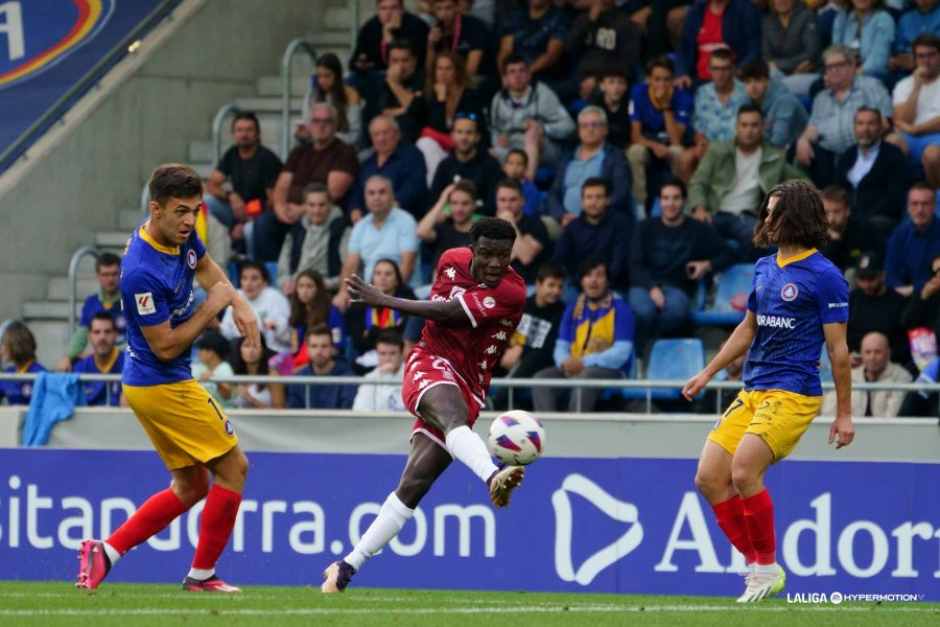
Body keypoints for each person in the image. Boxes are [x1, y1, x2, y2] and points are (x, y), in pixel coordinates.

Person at [76, 164, 260, 593]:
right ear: (154, 210)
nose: (188, 221)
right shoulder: (141, 271)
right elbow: (165, 346)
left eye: (194, 211)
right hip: (162, 383)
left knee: (192, 484)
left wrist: (239, 303)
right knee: (234, 467)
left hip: (155, 382)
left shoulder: (178, 234)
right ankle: (201, 576)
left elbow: (210, 270)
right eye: (180, 211)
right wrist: (213, 307)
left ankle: (107, 551)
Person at [320, 218, 528, 593]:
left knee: (415, 483)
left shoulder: (513, 291)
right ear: (472, 250)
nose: (496, 263)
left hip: (472, 385)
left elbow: (450, 313)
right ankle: (492, 476)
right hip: (430, 360)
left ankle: (347, 565)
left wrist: (384, 300)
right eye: (487, 255)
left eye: (503, 255)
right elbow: (442, 310)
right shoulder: (450, 260)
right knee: (451, 418)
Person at [682, 180, 853, 603]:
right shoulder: (764, 267)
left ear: (796, 217)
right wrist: (708, 372)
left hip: (793, 393)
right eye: (767, 211)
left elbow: (839, 350)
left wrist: (845, 413)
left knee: (743, 472)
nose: (767, 220)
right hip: (754, 388)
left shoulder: (824, 276)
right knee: (708, 478)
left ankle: (763, 568)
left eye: (776, 212)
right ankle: (762, 566)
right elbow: (748, 327)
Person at [629, 179, 734, 354]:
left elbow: (729, 253)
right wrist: (652, 288)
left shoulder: (698, 230)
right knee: (643, 311)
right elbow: (634, 265)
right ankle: (641, 357)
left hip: (677, 288)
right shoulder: (644, 228)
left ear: (684, 201)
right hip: (644, 285)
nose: (670, 204)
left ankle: (662, 356)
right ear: (659, 201)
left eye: (676, 198)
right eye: (666, 198)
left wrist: (706, 265)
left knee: (675, 313)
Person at [689, 104, 807, 253]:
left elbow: (802, 183)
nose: (749, 131)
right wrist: (699, 207)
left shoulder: (774, 157)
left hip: (745, 218)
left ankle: (726, 260)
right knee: (692, 238)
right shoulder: (718, 151)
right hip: (714, 213)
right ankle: (724, 260)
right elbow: (698, 181)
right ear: (737, 127)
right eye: (744, 125)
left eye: (754, 125)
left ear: (763, 127)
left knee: (771, 244)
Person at [533, 259, 635, 413]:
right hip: (574, 367)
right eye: (588, 275)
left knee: (586, 377)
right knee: (541, 379)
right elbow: (561, 346)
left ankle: (575, 433)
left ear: (607, 281)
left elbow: (621, 352)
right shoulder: (573, 308)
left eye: (599, 275)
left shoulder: (621, 309)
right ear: (581, 281)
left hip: (609, 370)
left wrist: (584, 362)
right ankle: (548, 431)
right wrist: (564, 363)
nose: (593, 280)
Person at [269, 103, 358, 261]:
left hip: (321, 212)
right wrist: (280, 208)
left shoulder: (345, 152)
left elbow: (333, 193)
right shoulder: (299, 151)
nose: (321, 126)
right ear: (309, 125)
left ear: (335, 125)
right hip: (290, 212)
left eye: (327, 121)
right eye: (316, 121)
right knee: (264, 224)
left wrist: (302, 210)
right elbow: (282, 186)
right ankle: (264, 275)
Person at [795, 45, 892, 187]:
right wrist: (803, 140)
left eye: (839, 65)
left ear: (852, 66)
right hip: (828, 157)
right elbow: (813, 128)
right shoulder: (821, 98)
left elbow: (885, 121)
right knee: (797, 149)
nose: (834, 70)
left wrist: (864, 139)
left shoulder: (871, 87)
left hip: (863, 148)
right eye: (829, 67)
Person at [335, 175, 419, 310]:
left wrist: (390, 297)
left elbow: (407, 265)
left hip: (402, 293)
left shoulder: (406, 221)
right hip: (371, 294)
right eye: (371, 193)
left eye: (382, 192)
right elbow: (350, 265)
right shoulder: (360, 226)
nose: (376, 197)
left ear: (392, 196)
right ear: (365, 198)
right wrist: (343, 292)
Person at [488, 55, 575, 180]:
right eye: (512, 72)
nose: (517, 76)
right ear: (505, 78)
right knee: (491, 153)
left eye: (522, 71)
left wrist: (543, 128)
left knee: (532, 134)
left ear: (529, 75)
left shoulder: (543, 93)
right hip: (512, 149)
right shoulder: (498, 98)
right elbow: (494, 130)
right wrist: (498, 141)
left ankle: (528, 181)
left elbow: (569, 127)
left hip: (543, 149)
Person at [204, 112, 283, 247]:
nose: (244, 134)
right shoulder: (232, 153)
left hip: (261, 214)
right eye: (239, 130)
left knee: (249, 230)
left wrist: (247, 217)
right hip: (237, 210)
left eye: (249, 130)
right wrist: (231, 196)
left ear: (257, 134)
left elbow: (273, 202)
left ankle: (253, 265)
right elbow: (211, 185)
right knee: (206, 202)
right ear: (233, 134)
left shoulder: (267, 158)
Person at [494, 262, 565, 408]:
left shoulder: (562, 312)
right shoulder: (521, 305)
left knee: (535, 357)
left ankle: (498, 402)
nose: (556, 291)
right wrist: (507, 350)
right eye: (551, 285)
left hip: (538, 360)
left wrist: (521, 351)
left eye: (560, 287)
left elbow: (548, 347)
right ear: (538, 285)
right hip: (510, 355)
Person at [546, 106, 634, 224]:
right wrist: (562, 216)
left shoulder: (615, 157)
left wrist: (591, 216)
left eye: (595, 125)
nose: (590, 129)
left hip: (600, 222)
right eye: (585, 126)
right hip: (565, 222)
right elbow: (553, 194)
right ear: (579, 131)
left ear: (605, 129)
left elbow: (620, 194)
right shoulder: (567, 158)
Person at [627, 56, 694, 208]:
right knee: (635, 151)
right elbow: (635, 136)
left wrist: (665, 107)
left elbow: (676, 140)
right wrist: (654, 146)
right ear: (649, 79)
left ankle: (682, 204)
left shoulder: (683, 97)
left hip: (670, 145)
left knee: (678, 152)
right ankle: (640, 205)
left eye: (666, 79)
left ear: (673, 80)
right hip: (647, 143)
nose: (661, 84)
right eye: (657, 79)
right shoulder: (638, 93)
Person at [834, 107, 910, 238]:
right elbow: (837, 189)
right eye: (860, 123)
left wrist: (861, 218)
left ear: (880, 127)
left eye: (871, 124)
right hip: (847, 218)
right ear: (854, 128)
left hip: (879, 219)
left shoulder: (893, 155)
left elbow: (895, 197)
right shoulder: (847, 155)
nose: (865, 129)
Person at [678, 48, 750, 181]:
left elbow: (749, 129)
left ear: (733, 70)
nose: (720, 74)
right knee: (685, 158)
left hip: (736, 148)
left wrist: (717, 149)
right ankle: (693, 199)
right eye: (716, 69)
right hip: (708, 146)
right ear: (710, 70)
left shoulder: (745, 93)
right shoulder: (702, 92)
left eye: (725, 69)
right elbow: (698, 127)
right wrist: (700, 143)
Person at [553, 177, 633, 292]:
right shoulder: (572, 227)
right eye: (589, 197)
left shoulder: (622, 224)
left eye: (599, 197)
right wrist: (583, 282)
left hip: (613, 285)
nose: (593, 202)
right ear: (582, 201)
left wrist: (600, 283)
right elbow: (560, 260)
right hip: (578, 285)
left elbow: (619, 263)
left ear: (607, 200)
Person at [417, 53, 488, 179]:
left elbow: (479, 126)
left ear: (457, 71)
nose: (443, 73)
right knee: (425, 143)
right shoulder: (429, 94)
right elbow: (437, 127)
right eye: (439, 68)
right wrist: (441, 100)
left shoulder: (470, 96)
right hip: (439, 149)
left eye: (448, 68)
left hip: (466, 146)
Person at [350, 115, 429, 221]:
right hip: (370, 221)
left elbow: (414, 187)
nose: (381, 138)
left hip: (403, 218)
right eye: (376, 134)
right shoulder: (367, 163)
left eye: (385, 133)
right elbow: (357, 191)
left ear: (397, 134)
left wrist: (388, 208)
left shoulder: (412, 155)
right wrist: (355, 209)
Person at [57, 252, 126, 371]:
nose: (110, 279)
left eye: (114, 274)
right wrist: (69, 356)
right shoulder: (91, 303)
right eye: (105, 274)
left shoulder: (131, 300)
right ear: (98, 276)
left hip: (125, 360)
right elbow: (81, 334)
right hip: (100, 357)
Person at [276, 183, 349, 294]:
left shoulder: (342, 229)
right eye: (311, 205)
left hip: (327, 290)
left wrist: (321, 284)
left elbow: (350, 271)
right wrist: (286, 283)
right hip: (296, 289)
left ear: (330, 205)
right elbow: (283, 265)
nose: (316, 210)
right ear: (304, 206)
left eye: (321, 205)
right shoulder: (296, 230)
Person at [346, 259, 416, 373]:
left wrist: (373, 332)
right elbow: (358, 342)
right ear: (372, 278)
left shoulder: (409, 302)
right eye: (378, 273)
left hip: (400, 358)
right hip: (367, 358)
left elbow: (407, 337)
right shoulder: (359, 305)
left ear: (397, 280)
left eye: (388, 274)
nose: (383, 278)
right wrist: (394, 330)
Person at [427, 113, 503, 215]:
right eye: (459, 132)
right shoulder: (444, 165)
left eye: (469, 133)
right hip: (449, 224)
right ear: (452, 135)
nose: (464, 137)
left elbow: (494, 205)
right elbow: (434, 201)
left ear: (477, 137)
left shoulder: (491, 166)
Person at [675, 0, 762, 88]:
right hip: (697, 80)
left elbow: (754, 49)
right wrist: (682, 73)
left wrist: (740, 71)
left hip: (732, 80)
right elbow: (684, 47)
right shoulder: (696, 11)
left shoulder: (745, 9)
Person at [823, 331, 911, 417]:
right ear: (861, 354)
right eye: (868, 352)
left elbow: (891, 416)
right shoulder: (848, 376)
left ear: (888, 353)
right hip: (852, 430)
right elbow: (828, 413)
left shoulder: (901, 376)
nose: (872, 357)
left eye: (878, 352)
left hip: (886, 430)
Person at [890, 34, 940, 185]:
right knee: (891, 144)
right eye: (921, 56)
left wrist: (916, 130)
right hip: (908, 137)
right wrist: (916, 87)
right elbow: (902, 120)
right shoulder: (904, 85)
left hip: (936, 136)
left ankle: (936, 199)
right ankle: (898, 198)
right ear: (915, 59)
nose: (926, 60)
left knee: (932, 155)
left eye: (931, 55)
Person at [848, 251, 912, 366]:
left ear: (882, 275)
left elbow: (906, 344)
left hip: (891, 366)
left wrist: (880, 359)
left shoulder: (899, 302)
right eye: (862, 279)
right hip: (855, 366)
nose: (866, 284)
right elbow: (839, 337)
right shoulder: (850, 300)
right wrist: (846, 355)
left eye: (871, 278)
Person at [566, 0, 642, 95]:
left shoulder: (625, 24)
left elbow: (628, 62)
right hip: (580, 78)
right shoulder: (583, 20)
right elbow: (570, 48)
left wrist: (598, 79)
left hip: (608, 81)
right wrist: (589, 21)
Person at [219, 261, 292, 355]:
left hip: (272, 352)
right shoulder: (236, 296)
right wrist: (216, 326)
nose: (248, 283)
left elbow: (288, 335)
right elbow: (226, 332)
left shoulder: (276, 297)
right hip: (242, 353)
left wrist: (276, 327)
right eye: (244, 278)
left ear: (265, 282)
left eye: (254, 278)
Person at [367, 39, 429, 144]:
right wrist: (405, 110)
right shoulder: (378, 81)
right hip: (382, 140)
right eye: (395, 61)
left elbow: (417, 113)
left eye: (405, 60)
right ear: (388, 62)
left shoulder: (424, 80)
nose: (400, 66)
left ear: (414, 61)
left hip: (414, 141)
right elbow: (377, 114)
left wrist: (394, 83)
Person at [739, 59, 808, 150]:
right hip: (767, 149)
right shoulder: (746, 99)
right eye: (748, 82)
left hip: (796, 152)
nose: (753, 86)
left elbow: (778, 142)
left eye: (758, 80)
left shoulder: (785, 100)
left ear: (767, 81)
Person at [885, 183, 940, 297]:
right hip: (900, 296)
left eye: (925, 204)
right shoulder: (899, 235)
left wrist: (915, 289)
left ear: (934, 206)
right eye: (914, 204)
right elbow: (890, 274)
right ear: (908, 207)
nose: (920, 210)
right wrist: (904, 289)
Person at [298, 54, 364, 148]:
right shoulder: (312, 94)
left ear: (337, 75)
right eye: (319, 76)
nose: (322, 81)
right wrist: (302, 133)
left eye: (327, 76)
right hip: (316, 147)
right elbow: (307, 124)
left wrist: (327, 136)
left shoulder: (351, 95)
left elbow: (355, 135)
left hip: (342, 149)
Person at [350, 0, 430, 76]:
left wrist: (389, 39)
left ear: (402, 10)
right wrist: (361, 64)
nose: (388, 13)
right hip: (376, 75)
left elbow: (418, 61)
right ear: (378, 11)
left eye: (394, 8)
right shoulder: (369, 28)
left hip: (410, 75)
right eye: (383, 8)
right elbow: (353, 62)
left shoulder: (417, 26)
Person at [494, 178, 552, 283]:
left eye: (513, 200)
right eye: (502, 200)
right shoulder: (488, 226)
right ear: (496, 202)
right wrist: (520, 244)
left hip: (527, 284)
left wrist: (509, 223)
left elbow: (526, 257)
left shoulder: (536, 224)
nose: (507, 205)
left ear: (523, 201)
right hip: (496, 285)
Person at [286, 325, 357, 409]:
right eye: (314, 346)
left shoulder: (348, 378)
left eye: (324, 346)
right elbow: (294, 416)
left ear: (332, 348)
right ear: (307, 350)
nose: (319, 351)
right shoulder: (298, 379)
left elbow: (347, 416)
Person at [496, 0, 568, 83]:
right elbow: (506, 50)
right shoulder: (515, 15)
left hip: (542, 74)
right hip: (513, 71)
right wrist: (504, 74)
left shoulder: (559, 18)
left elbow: (551, 55)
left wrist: (525, 73)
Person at [289, 269, 346, 371]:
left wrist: (308, 363)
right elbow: (294, 348)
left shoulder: (332, 312)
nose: (304, 291)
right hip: (299, 359)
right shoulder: (296, 313)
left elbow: (337, 347)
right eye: (301, 286)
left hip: (323, 360)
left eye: (309, 286)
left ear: (318, 289)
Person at [761, 0, 821, 96]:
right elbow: (767, 57)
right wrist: (785, 68)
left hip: (806, 73)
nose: (781, 1)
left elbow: (811, 53)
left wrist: (778, 65)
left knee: (775, 90)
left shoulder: (807, 16)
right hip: (778, 74)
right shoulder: (768, 21)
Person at [426, 0, 494, 82]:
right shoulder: (437, 29)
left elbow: (472, 68)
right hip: (449, 77)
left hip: (477, 77)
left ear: (457, 7)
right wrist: (431, 45)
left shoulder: (474, 26)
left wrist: (456, 85)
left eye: (448, 8)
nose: (444, 14)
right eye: (439, 9)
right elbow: (430, 70)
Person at [418, 180, 480, 269]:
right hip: (440, 281)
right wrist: (442, 200)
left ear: (474, 205)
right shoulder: (443, 228)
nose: (459, 209)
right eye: (454, 203)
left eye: (465, 203)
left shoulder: (480, 233)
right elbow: (421, 232)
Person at [831, 0, 896, 80]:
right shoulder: (843, 17)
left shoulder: (884, 19)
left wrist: (850, 76)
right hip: (845, 74)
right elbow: (835, 52)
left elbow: (877, 61)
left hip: (873, 75)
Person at [818, 185, 876, 272]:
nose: (831, 219)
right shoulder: (814, 232)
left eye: (836, 212)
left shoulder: (863, 230)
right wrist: (834, 242)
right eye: (826, 212)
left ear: (847, 210)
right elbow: (821, 266)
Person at [73, 312, 125, 407]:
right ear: (89, 336)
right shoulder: (80, 368)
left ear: (116, 335)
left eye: (107, 331)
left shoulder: (130, 365)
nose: (102, 337)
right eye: (97, 332)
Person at [352, 329, 407, 411]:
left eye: (393, 353)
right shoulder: (369, 378)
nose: (387, 358)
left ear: (402, 354)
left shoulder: (413, 376)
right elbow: (359, 411)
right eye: (382, 354)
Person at [230, 335, 285, 409]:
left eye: (255, 346)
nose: (251, 350)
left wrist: (251, 399)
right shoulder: (235, 374)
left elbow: (280, 411)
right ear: (239, 350)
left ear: (263, 350)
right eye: (246, 346)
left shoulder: (272, 375)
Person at [0, 321, 46, 405]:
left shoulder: (39, 373)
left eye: (3, 343)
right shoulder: (7, 373)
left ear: (16, 344)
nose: (1, 349)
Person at [891, 0, 940, 75]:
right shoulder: (905, 19)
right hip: (907, 75)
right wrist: (897, 61)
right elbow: (898, 51)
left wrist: (917, 60)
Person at [192, 330, 234, 408]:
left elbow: (227, 395)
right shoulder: (198, 367)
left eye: (201, 349)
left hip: (223, 414)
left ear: (211, 353)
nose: (198, 353)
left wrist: (215, 380)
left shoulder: (225, 368)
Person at [592, 67, 632, 151]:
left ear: (626, 86)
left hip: (626, 148)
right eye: (611, 82)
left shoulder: (631, 105)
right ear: (602, 86)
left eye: (621, 82)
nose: (616, 87)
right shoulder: (594, 107)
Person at [501, 149, 542, 218]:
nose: (514, 167)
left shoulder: (531, 189)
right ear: (504, 167)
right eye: (511, 163)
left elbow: (529, 213)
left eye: (519, 164)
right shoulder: (500, 187)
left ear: (526, 168)